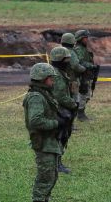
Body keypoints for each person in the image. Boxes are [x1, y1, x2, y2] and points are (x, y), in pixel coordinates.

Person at [23, 63, 64, 202]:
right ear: (42, 78)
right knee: (45, 179)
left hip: (50, 142)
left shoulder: (44, 94)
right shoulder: (36, 97)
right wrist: (56, 123)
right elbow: (35, 121)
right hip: (43, 143)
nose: (53, 81)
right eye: (51, 78)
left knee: (51, 176)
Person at [50, 46, 78, 174]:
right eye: (66, 59)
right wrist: (73, 105)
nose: (68, 62)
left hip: (60, 111)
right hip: (60, 112)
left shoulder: (57, 73)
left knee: (61, 137)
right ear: (60, 60)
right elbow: (61, 96)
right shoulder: (57, 75)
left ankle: (57, 162)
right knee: (60, 137)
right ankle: (56, 164)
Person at [60, 33, 86, 121]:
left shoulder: (58, 51)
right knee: (74, 101)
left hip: (60, 79)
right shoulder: (70, 52)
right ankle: (70, 122)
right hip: (72, 80)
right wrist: (84, 69)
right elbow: (75, 66)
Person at [74, 30, 98, 121]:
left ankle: (81, 113)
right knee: (83, 95)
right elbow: (79, 62)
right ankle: (80, 115)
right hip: (81, 75)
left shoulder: (83, 48)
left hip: (85, 75)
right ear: (81, 39)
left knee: (86, 95)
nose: (87, 39)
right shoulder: (79, 49)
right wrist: (90, 66)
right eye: (85, 38)